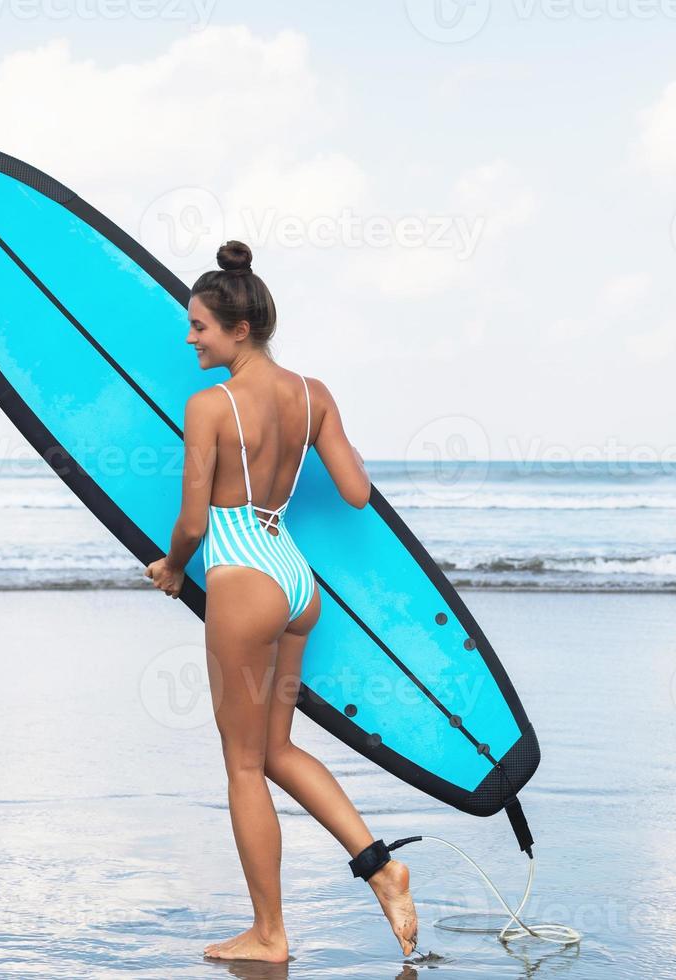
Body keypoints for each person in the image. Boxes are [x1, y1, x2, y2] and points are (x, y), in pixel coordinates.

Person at [144, 241, 419, 963]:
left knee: (241, 764)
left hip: (241, 576)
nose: (190, 338)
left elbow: (197, 523)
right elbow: (357, 493)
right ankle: (381, 867)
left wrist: (173, 567)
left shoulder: (209, 406)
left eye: (198, 325)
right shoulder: (312, 394)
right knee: (276, 750)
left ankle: (270, 934)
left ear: (238, 329)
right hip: (295, 583)